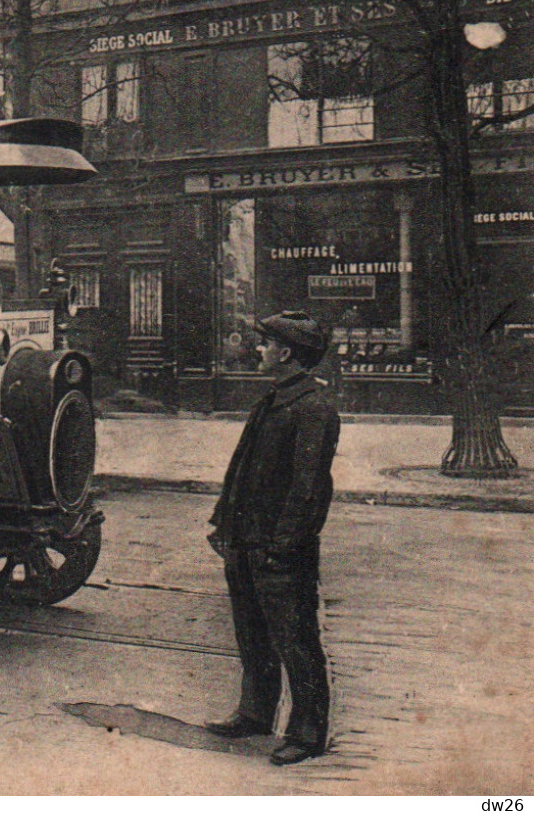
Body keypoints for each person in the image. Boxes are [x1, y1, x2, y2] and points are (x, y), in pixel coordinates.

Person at [205, 310, 341, 766]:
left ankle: (307, 733)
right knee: (252, 635)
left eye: (264, 344)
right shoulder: (274, 400)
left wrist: (283, 546)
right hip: (246, 541)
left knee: (295, 640)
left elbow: (309, 489)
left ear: (285, 353)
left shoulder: (314, 407)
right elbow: (240, 470)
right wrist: (223, 522)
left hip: (281, 550)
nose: (257, 350)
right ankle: (255, 714)